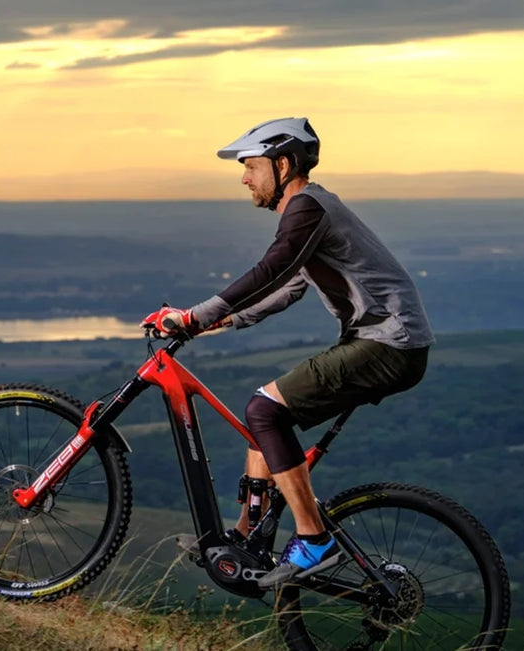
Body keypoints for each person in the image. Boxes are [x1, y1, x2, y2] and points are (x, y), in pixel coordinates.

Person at [145, 117, 434, 588]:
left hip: (388, 345)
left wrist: (195, 315)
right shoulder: (311, 210)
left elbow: (271, 271)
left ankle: (313, 537)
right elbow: (290, 287)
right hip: (383, 343)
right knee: (264, 421)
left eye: (251, 166)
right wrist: (227, 320)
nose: (244, 178)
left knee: (264, 410)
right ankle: (246, 538)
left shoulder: (307, 206)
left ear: (282, 164)